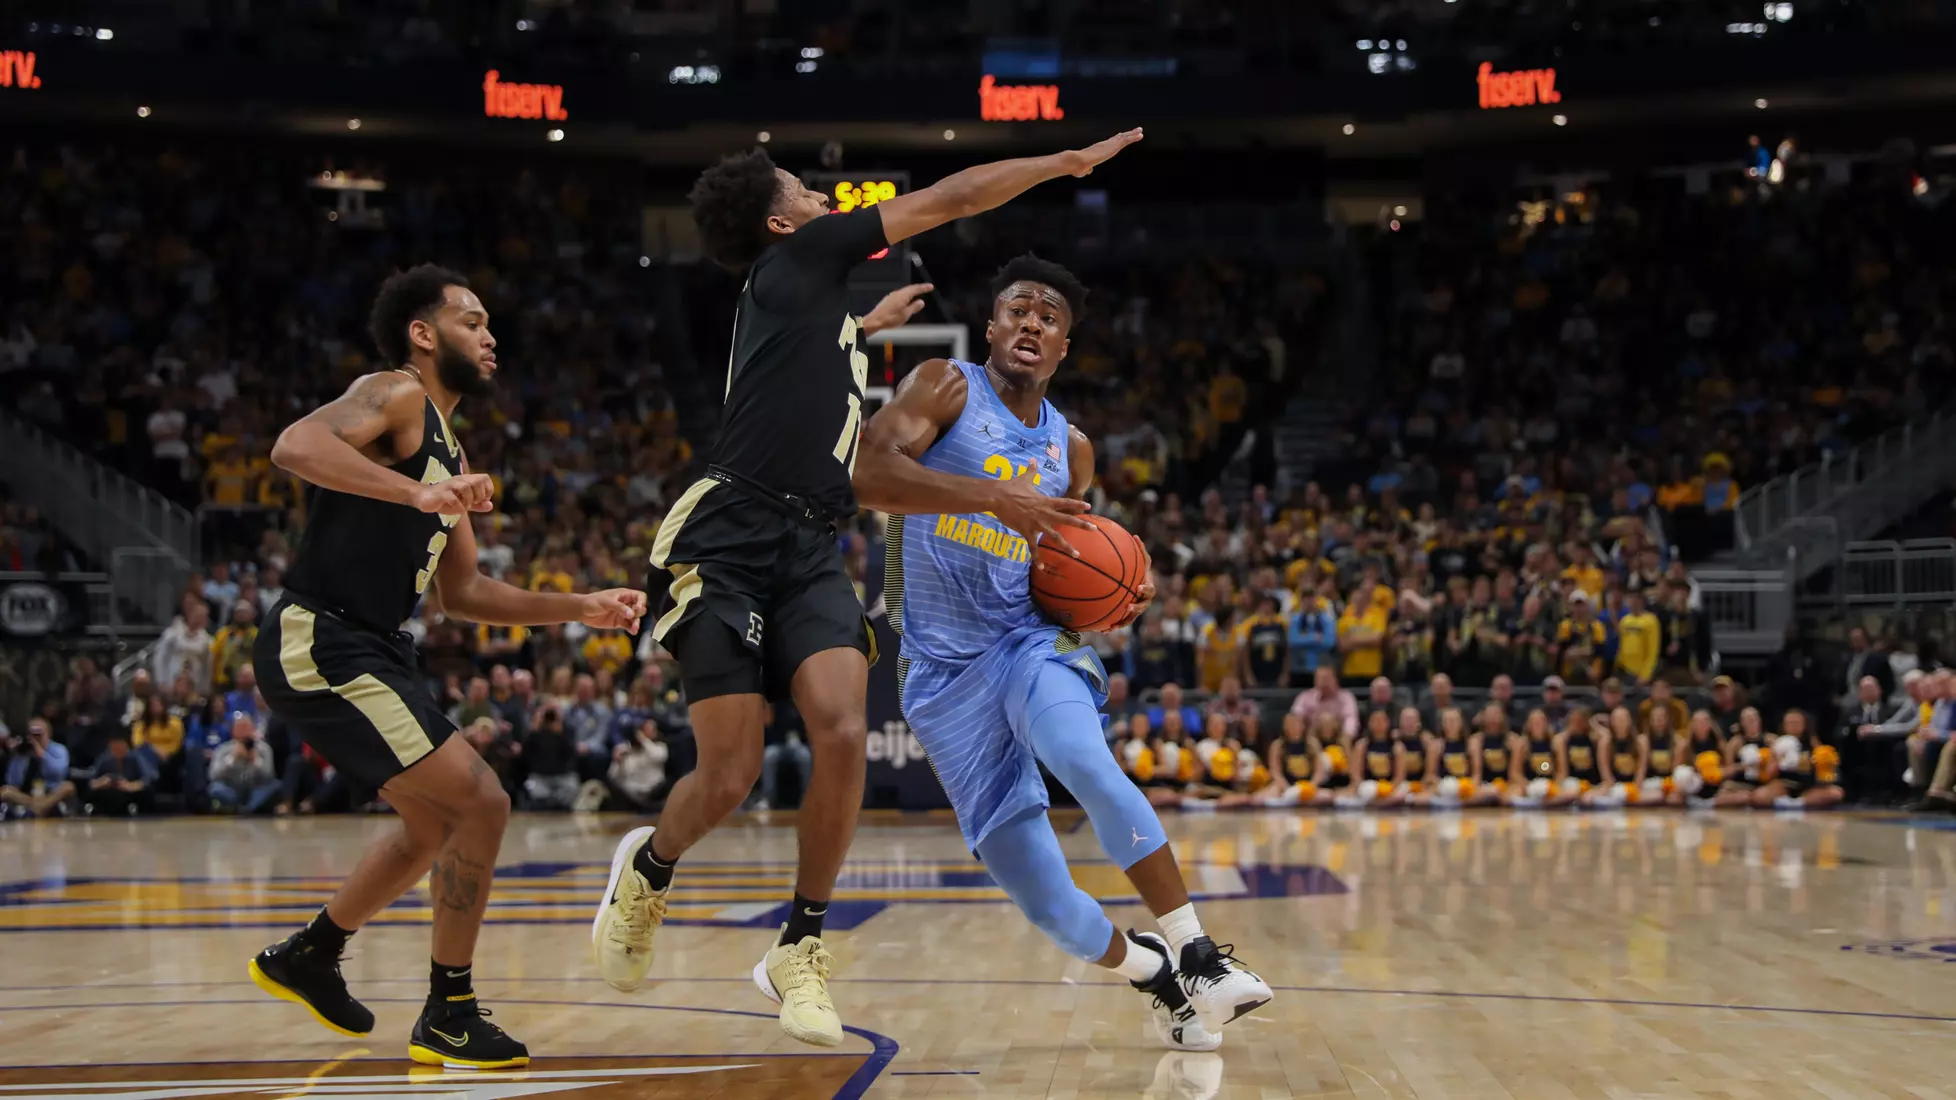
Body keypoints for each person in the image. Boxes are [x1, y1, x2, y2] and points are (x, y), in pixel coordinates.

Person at [591, 129, 1147, 1048]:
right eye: (805, 189)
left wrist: (866, 327)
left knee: (844, 729)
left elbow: (811, 380)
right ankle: (650, 869)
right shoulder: (802, 254)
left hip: (812, 542)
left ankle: (799, 947)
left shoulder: (812, 311)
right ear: (781, 221)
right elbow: (954, 195)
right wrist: (1057, 166)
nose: (821, 197)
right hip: (727, 537)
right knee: (727, 773)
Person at [842, 253, 1269, 1049]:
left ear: (1065, 345)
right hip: (937, 673)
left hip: (1026, 643)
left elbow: (1069, 560)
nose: (1032, 322)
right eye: (1018, 309)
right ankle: (1158, 977)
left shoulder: (1072, 448)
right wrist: (992, 496)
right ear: (994, 326)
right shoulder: (945, 385)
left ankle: (1200, 954)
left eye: (1049, 316)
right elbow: (867, 475)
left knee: (1080, 753)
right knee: (1049, 905)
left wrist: (1118, 589)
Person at [245, 265, 647, 1070]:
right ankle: (449, 1010)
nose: (489, 334)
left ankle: (310, 954)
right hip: (323, 639)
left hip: (376, 646)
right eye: (471, 321)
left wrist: (580, 607)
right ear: (423, 335)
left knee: (433, 824)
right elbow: (296, 445)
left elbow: (463, 593)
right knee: (484, 802)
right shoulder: (393, 391)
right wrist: (416, 496)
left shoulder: (449, 445)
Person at [1753, 709, 1844, 809]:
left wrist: (1817, 763)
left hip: (1807, 787)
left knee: (1836, 793)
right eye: (1789, 723)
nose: (1793, 726)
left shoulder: (1812, 742)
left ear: (1805, 724)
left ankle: (1797, 803)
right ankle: (1785, 801)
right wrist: (1777, 760)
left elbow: (1824, 772)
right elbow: (1768, 774)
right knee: (1759, 796)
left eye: (1796, 723)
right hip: (1783, 784)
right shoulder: (1778, 743)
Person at [1, 718, 76, 819]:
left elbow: (59, 772)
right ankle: (38, 808)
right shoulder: (24, 752)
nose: (35, 738)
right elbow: (13, 781)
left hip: (51, 792)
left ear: (48, 734)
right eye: (31, 734)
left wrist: (42, 754)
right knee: (5, 791)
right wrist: (17, 756)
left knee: (68, 787)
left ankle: (37, 809)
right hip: (28, 795)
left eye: (38, 734)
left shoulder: (59, 749)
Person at [208, 713, 280, 814]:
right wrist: (232, 759)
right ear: (233, 731)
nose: (243, 731)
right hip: (232, 789)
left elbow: (269, 775)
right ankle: (239, 806)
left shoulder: (264, 749)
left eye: (246, 727)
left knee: (275, 785)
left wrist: (255, 760)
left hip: (256, 789)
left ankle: (248, 809)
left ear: (252, 729)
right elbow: (213, 775)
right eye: (240, 727)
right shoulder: (223, 749)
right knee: (215, 788)